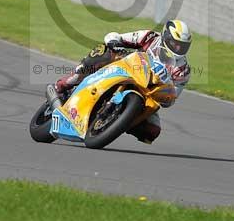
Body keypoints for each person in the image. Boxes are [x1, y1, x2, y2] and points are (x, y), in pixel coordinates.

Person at [50, 20, 193, 144]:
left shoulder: (183, 70)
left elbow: (171, 99)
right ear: (165, 37)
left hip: (147, 93)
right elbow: (116, 37)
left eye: (182, 46)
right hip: (125, 68)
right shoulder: (150, 37)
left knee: (152, 131)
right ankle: (67, 82)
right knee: (105, 51)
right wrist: (115, 43)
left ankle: (115, 122)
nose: (178, 48)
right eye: (175, 43)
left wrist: (165, 91)